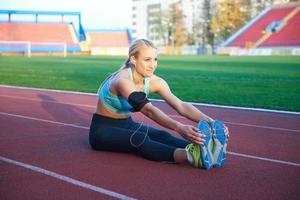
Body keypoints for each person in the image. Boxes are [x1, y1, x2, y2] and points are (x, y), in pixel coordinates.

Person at [89, 39, 229, 169]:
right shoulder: (122, 81)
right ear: (133, 59)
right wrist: (180, 127)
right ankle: (191, 156)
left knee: (161, 135)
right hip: (102, 129)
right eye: (147, 60)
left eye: (155, 59)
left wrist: (212, 123)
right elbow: (149, 110)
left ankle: (205, 150)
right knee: (140, 139)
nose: (153, 65)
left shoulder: (156, 82)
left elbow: (181, 106)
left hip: (128, 124)